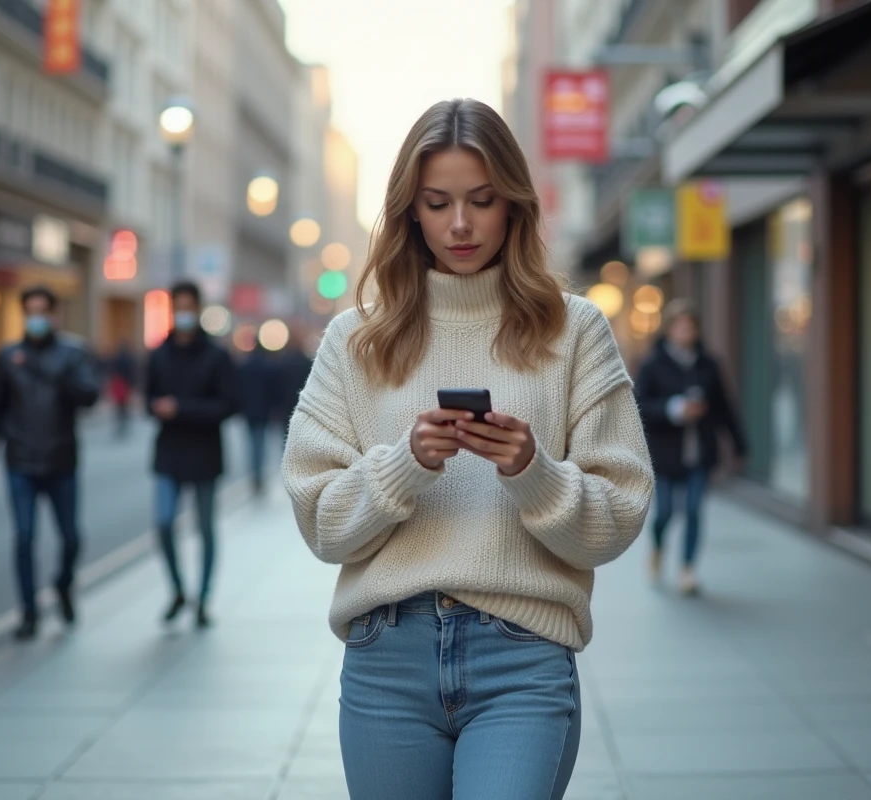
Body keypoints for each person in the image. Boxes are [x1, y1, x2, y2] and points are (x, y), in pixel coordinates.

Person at [281, 98, 653, 800]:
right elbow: (322, 524)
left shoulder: (574, 331)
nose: (459, 223)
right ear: (408, 211)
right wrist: (406, 464)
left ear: (514, 204)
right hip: (385, 657)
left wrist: (532, 473)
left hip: (523, 653)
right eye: (437, 202)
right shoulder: (355, 339)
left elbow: (618, 518)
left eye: (482, 200)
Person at [0, 285, 101, 640]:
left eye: (41, 312)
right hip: (20, 460)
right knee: (25, 537)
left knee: (71, 538)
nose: (36, 319)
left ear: (53, 315)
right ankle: (29, 612)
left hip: (62, 460)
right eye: (29, 312)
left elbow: (90, 396)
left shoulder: (73, 354)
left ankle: (63, 583)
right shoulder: (7, 356)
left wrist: (61, 377)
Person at [634, 298, 746, 596]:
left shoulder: (709, 365)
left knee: (695, 509)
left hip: (700, 452)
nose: (685, 331)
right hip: (667, 453)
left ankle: (687, 569)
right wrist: (673, 409)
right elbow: (639, 405)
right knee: (666, 512)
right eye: (679, 326)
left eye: (690, 326)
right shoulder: (653, 364)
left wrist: (738, 444)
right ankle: (657, 547)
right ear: (669, 329)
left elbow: (725, 407)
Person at [145, 280, 236, 628]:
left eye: (188, 306)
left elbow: (229, 405)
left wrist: (181, 408)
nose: (182, 313)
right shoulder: (159, 354)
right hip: (168, 454)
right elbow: (147, 402)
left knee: (205, 529)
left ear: (197, 309)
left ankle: (204, 598)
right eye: (177, 307)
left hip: (204, 454)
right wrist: (158, 408)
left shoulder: (216, 356)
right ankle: (178, 590)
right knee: (164, 523)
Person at [235, 346, 278, 495]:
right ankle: (258, 476)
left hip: (249, 412)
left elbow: (239, 390)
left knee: (251, 445)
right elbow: (273, 391)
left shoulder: (244, 367)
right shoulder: (268, 367)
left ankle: (255, 475)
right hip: (263, 412)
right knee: (260, 445)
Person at [109, 341, 138, 439]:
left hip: (120, 383)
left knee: (120, 406)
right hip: (125, 384)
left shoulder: (117, 358)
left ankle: (121, 420)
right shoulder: (129, 358)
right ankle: (124, 420)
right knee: (124, 405)